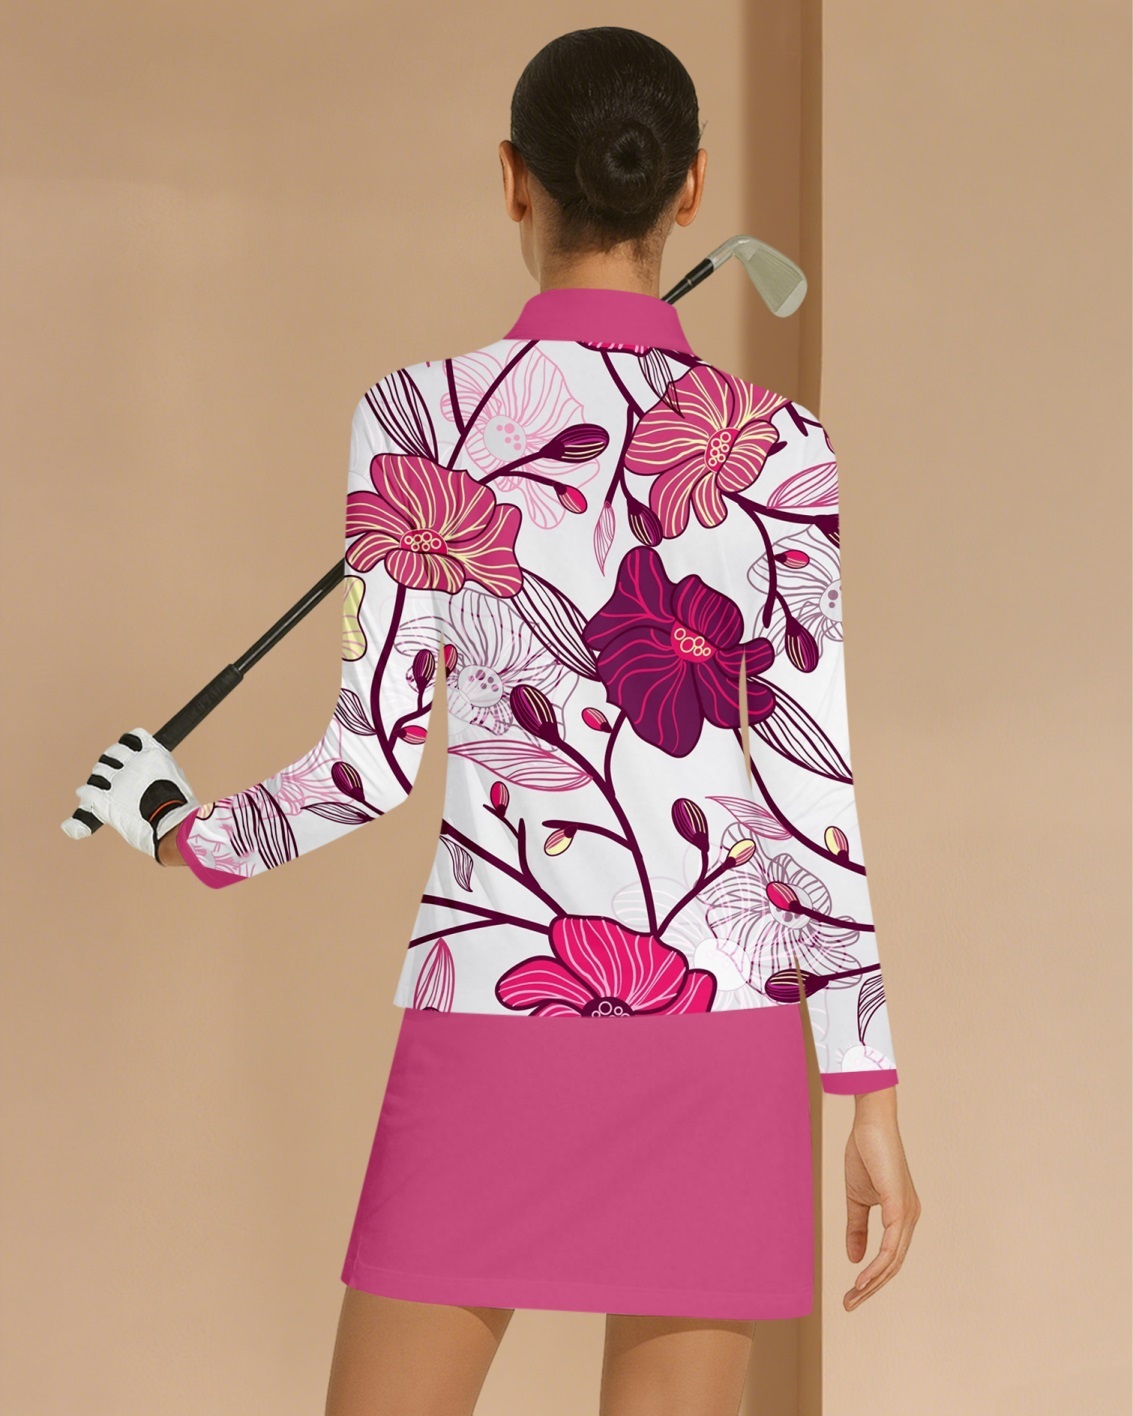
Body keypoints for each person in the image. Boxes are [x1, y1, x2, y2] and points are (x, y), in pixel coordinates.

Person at [68, 25, 920, 1416]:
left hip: (495, 1000)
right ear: (690, 187)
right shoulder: (783, 449)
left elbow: (365, 767)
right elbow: (809, 789)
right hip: (722, 1037)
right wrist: (865, 1087)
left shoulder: (414, 419)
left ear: (514, 179)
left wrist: (179, 828)